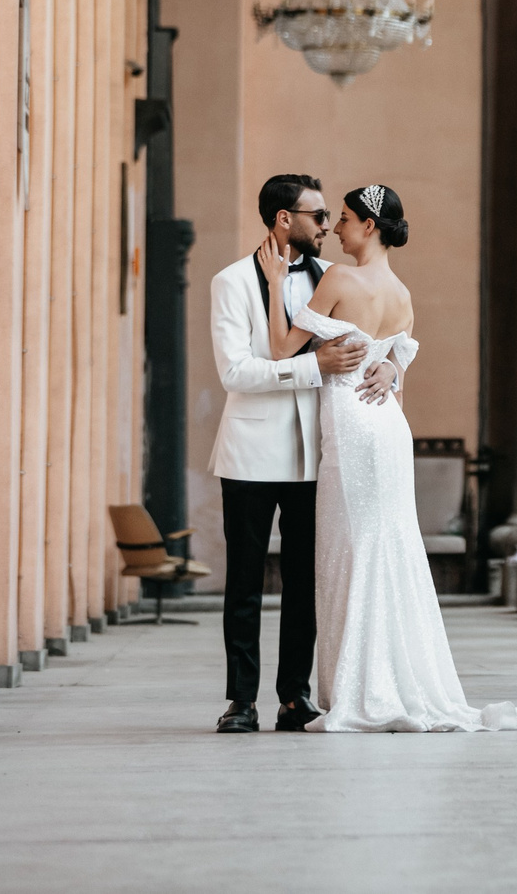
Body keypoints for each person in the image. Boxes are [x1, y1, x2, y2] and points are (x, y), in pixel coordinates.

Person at [258, 184, 517, 732]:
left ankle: (362, 685)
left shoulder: (339, 279)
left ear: (370, 226)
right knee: (388, 546)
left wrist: (278, 287)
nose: (338, 229)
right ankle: (395, 676)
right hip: (390, 430)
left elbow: (282, 349)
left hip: (350, 430)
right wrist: (392, 369)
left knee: (350, 551)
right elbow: (397, 379)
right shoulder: (402, 292)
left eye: (345, 219)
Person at [204, 174, 389, 733]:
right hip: (251, 454)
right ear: (284, 219)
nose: (328, 225)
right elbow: (234, 371)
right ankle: (240, 700)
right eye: (317, 216)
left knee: (306, 583)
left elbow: (382, 335)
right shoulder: (232, 281)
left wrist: (389, 365)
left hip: (317, 456)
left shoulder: (329, 279)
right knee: (244, 581)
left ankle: (294, 696)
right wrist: (313, 366)